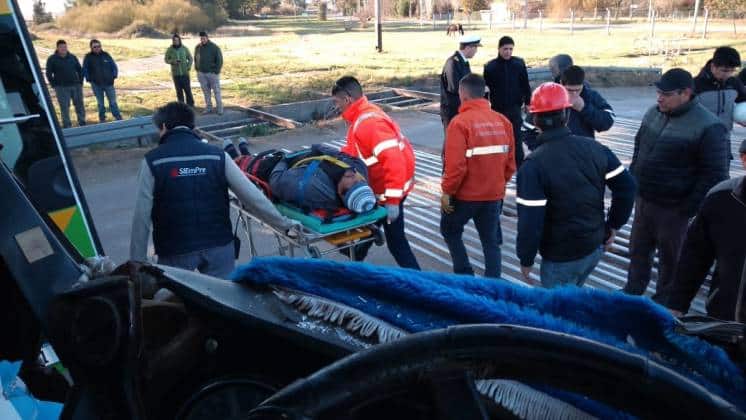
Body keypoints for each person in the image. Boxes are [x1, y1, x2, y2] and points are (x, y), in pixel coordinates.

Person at [130, 102, 296, 279]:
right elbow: (252, 197)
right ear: (192, 125)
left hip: (175, 250)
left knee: (177, 300)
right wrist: (284, 225)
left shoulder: (152, 161)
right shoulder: (217, 155)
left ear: (163, 127)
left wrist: (137, 261)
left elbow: (141, 216)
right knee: (222, 299)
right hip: (219, 246)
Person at [623, 69, 730, 299]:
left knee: (672, 262)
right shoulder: (654, 113)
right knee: (637, 252)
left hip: (674, 210)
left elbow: (715, 175)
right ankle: (631, 295)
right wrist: (634, 180)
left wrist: (687, 209)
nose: (659, 98)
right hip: (644, 200)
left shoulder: (710, 127)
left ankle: (663, 306)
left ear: (686, 93)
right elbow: (638, 147)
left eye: (666, 94)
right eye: (658, 92)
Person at [516, 82, 635, 288]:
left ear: (535, 120)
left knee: (557, 312)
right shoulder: (596, 148)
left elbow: (530, 223)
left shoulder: (533, 167)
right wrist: (612, 227)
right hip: (593, 248)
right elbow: (627, 188)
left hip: (560, 258)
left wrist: (526, 259)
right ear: (567, 115)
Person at [333, 76, 420, 270]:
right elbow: (356, 150)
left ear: (347, 99)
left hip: (389, 193)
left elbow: (393, 159)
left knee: (397, 243)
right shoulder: (363, 116)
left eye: (336, 102)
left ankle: (422, 286)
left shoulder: (367, 123)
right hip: (387, 190)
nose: (336, 107)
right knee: (371, 234)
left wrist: (393, 202)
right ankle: (356, 260)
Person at [440, 74, 516, 278]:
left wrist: (447, 192)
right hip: (493, 196)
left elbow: (455, 167)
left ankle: (465, 275)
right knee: (491, 242)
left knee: (450, 230)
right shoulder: (503, 121)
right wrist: (498, 184)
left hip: (465, 197)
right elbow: (510, 164)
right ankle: (493, 282)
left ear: (462, 95)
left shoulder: (459, 123)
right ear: (483, 94)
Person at [663, 139, 746, 321]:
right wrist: (677, 304)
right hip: (724, 321)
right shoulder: (721, 198)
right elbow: (695, 256)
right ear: (743, 158)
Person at [228, 141, 376, 214]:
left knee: (263, 165)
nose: (352, 175)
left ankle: (235, 159)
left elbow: (276, 182)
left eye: (352, 184)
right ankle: (244, 154)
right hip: (303, 160)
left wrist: (284, 161)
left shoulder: (313, 189)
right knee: (271, 156)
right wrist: (316, 147)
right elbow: (336, 153)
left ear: (340, 194)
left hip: (283, 169)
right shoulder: (359, 168)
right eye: (359, 180)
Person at [483, 36, 532, 167]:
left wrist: (528, 102)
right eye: (505, 49)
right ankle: (499, 164)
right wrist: (483, 108)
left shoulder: (519, 64)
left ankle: (519, 164)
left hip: (515, 107)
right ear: (499, 49)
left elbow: (525, 85)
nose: (508, 52)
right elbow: (485, 90)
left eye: (511, 49)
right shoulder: (490, 67)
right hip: (497, 109)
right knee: (498, 138)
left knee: (516, 137)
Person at [694, 47, 746, 141]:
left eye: (732, 70)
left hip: (724, 137)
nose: (729, 74)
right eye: (725, 70)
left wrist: (742, 117)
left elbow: (743, 102)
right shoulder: (695, 85)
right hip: (698, 139)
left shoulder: (734, 83)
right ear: (713, 66)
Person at [560, 65, 615, 139]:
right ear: (561, 84)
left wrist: (584, 108)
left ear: (582, 84)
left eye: (578, 90)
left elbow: (607, 122)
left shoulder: (591, 95)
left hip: (584, 146)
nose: (574, 94)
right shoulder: (551, 96)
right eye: (569, 90)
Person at [440, 35, 481, 131]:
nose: (476, 51)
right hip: (453, 111)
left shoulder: (463, 62)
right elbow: (454, 87)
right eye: (475, 47)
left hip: (462, 109)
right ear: (468, 47)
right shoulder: (453, 62)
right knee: (452, 142)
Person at [45, 40, 85, 128]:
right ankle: (67, 125)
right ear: (57, 48)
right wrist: (54, 85)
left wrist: (80, 82)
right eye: (61, 47)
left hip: (76, 86)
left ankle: (82, 122)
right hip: (61, 87)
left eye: (65, 47)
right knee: (64, 107)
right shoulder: (52, 59)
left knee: (79, 105)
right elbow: (48, 73)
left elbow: (80, 70)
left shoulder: (72, 57)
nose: (64, 49)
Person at [82, 39, 122, 123]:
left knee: (113, 102)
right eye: (95, 47)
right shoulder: (88, 57)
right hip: (96, 85)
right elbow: (84, 69)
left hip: (109, 83)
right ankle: (102, 118)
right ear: (91, 48)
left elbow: (114, 66)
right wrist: (89, 79)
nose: (97, 48)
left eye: (99, 46)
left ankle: (118, 117)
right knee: (100, 103)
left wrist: (114, 76)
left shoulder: (106, 55)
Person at [194, 31, 223, 115]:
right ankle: (208, 107)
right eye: (201, 38)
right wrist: (197, 69)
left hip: (212, 74)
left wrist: (216, 71)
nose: (202, 40)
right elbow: (196, 58)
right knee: (206, 92)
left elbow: (219, 60)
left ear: (207, 37)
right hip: (201, 74)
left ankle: (220, 108)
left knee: (216, 91)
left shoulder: (214, 47)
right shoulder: (198, 47)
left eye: (204, 38)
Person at [165, 34, 194, 107]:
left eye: (177, 40)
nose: (176, 41)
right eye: (174, 40)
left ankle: (190, 105)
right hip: (176, 74)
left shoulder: (184, 48)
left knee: (187, 90)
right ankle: (181, 106)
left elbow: (190, 58)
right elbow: (166, 59)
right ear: (173, 41)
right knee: (179, 92)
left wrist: (188, 66)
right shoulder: (170, 49)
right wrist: (172, 61)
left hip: (185, 73)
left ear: (180, 40)